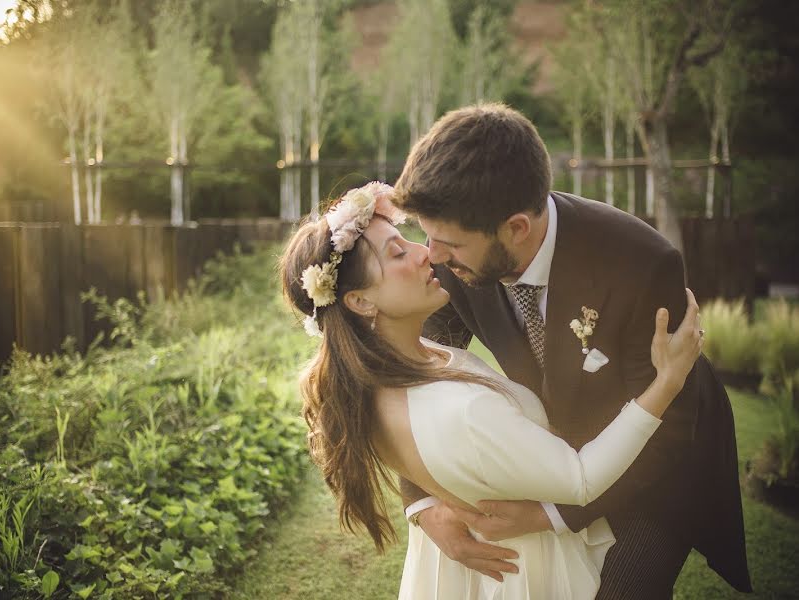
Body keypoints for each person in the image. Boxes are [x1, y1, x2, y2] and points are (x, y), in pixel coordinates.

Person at [391, 103, 751, 598]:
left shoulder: (640, 265)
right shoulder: (457, 252)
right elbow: (414, 375)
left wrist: (552, 514)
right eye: (426, 237)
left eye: (448, 243)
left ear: (516, 227)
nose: (432, 258)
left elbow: (669, 426)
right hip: (561, 453)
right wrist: (422, 503)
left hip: (660, 463)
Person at [280, 182, 704, 599]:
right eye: (398, 249)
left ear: (513, 227)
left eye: (409, 239)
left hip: (649, 476)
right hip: (528, 560)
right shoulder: (460, 405)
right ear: (359, 302)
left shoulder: (396, 364)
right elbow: (581, 477)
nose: (429, 252)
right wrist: (666, 382)